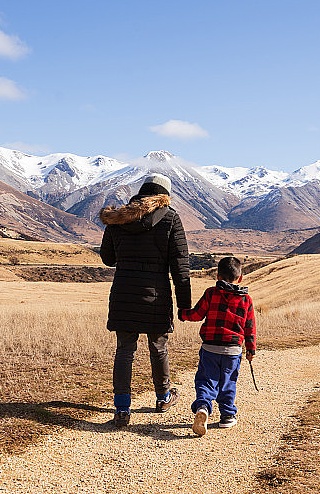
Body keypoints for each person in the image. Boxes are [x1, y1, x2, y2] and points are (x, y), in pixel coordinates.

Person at [99, 174, 191, 428]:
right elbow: (180, 266)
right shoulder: (171, 218)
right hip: (156, 294)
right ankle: (163, 397)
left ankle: (121, 409)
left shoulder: (118, 218)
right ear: (165, 195)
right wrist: (184, 305)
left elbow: (108, 258)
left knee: (124, 351)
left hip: (124, 292)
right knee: (158, 347)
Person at [178, 256, 256, 436]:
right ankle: (227, 416)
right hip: (232, 351)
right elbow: (249, 327)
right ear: (241, 277)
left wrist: (182, 314)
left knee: (206, 380)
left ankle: (203, 407)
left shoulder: (211, 293)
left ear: (218, 276)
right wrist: (251, 350)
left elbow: (197, 314)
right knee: (228, 382)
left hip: (210, 348)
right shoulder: (246, 300)